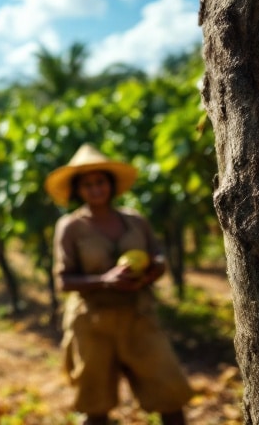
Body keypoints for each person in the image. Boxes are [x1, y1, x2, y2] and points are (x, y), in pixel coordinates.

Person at [47, 144, 192, 425]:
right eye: (87, 184)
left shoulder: (135, 220)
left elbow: (157, 256)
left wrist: (153, 270)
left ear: (110, 185)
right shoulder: (71, 227)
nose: (95, 189)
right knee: (95, 405)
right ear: (78, 190)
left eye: (100, 181)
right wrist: (105, 280)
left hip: (139, 316)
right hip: (93, 322)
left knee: (169, 393)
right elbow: (63, 280)